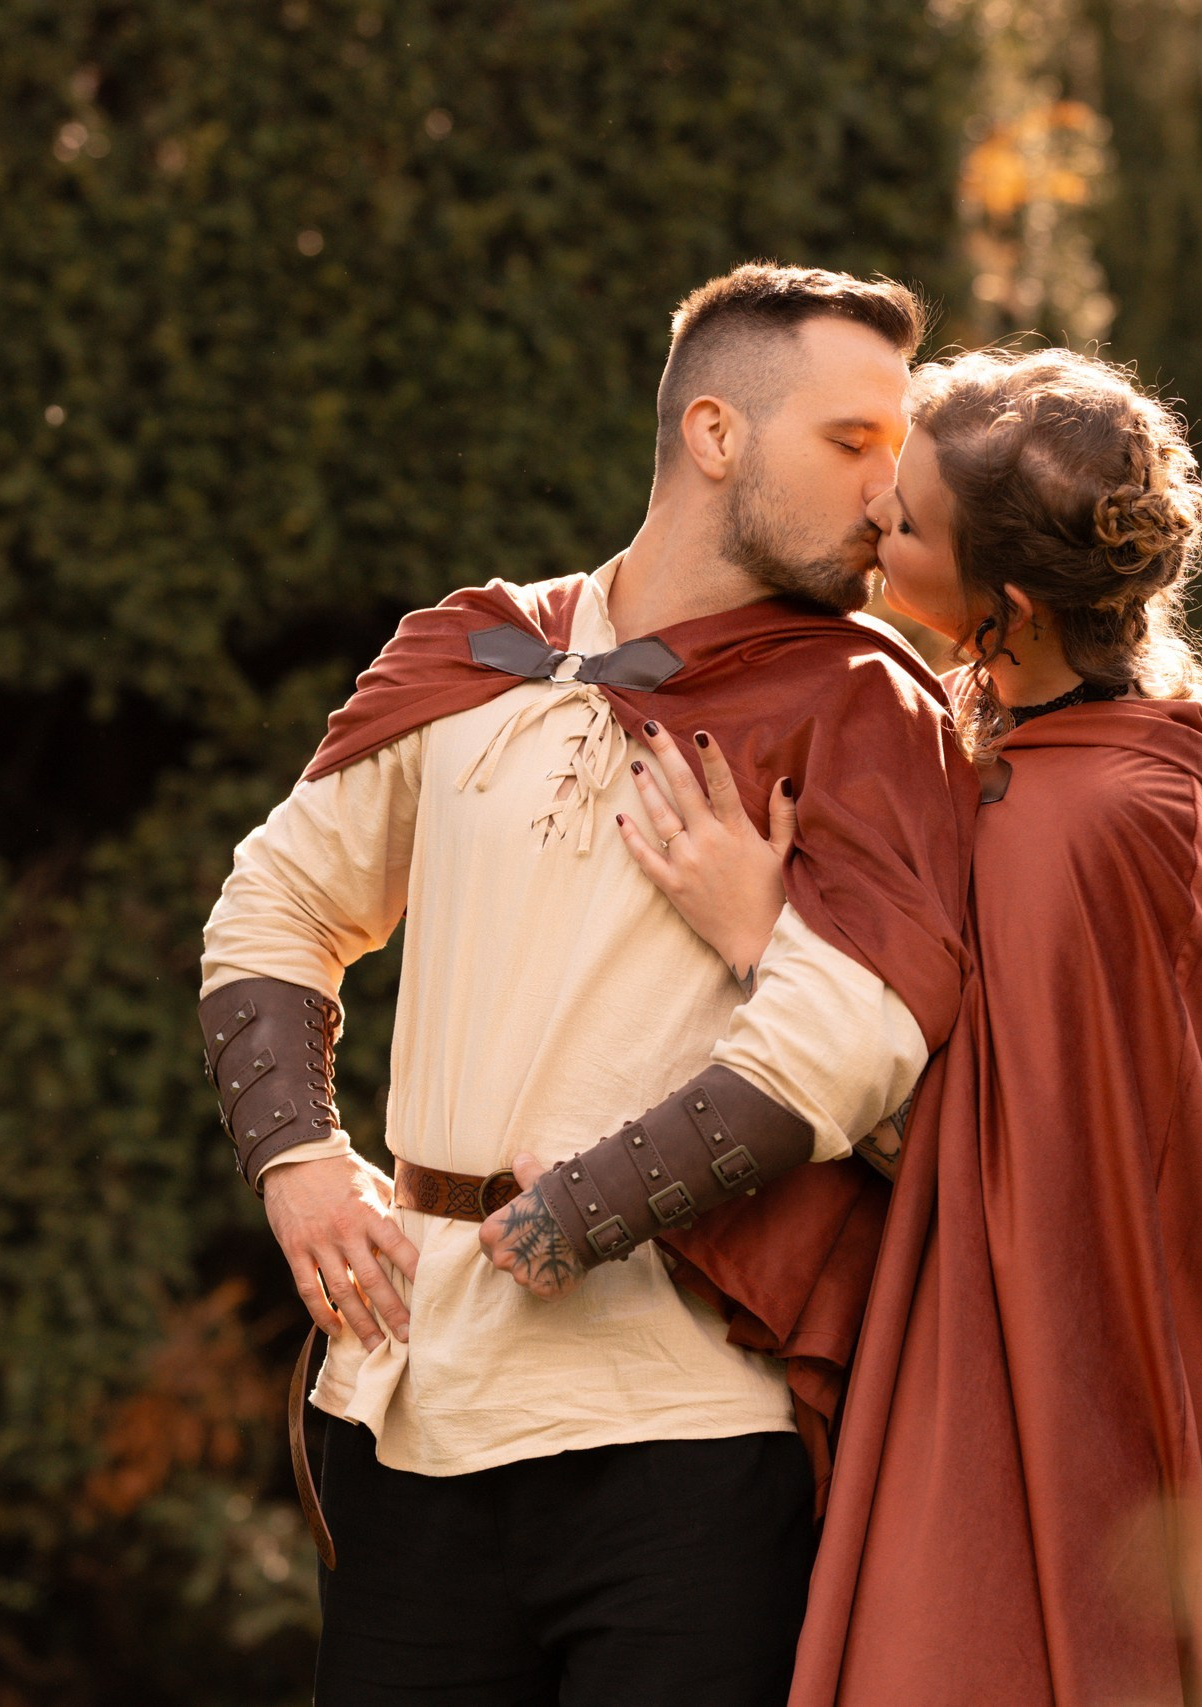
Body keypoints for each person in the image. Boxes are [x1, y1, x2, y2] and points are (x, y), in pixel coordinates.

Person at [196, 263, 975, 1707]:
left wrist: (593, 1206)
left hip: (685, 1432)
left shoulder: (865, 703)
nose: (886, 495)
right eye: (851, 443)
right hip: (412, 1408)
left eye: (901, 453)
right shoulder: (477, 651)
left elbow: (860, 1033)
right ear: (718, 433)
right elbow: (277, 904)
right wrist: (299, 1160)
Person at [621, 347, 1202, 1706]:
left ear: (1011, 610)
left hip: (1051, 1381)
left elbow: (995, 1147)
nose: (876, 520)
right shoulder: (1088, 759)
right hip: (1031, 1338)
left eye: (910, 523)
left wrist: (769, 943)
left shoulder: (1087, 823)